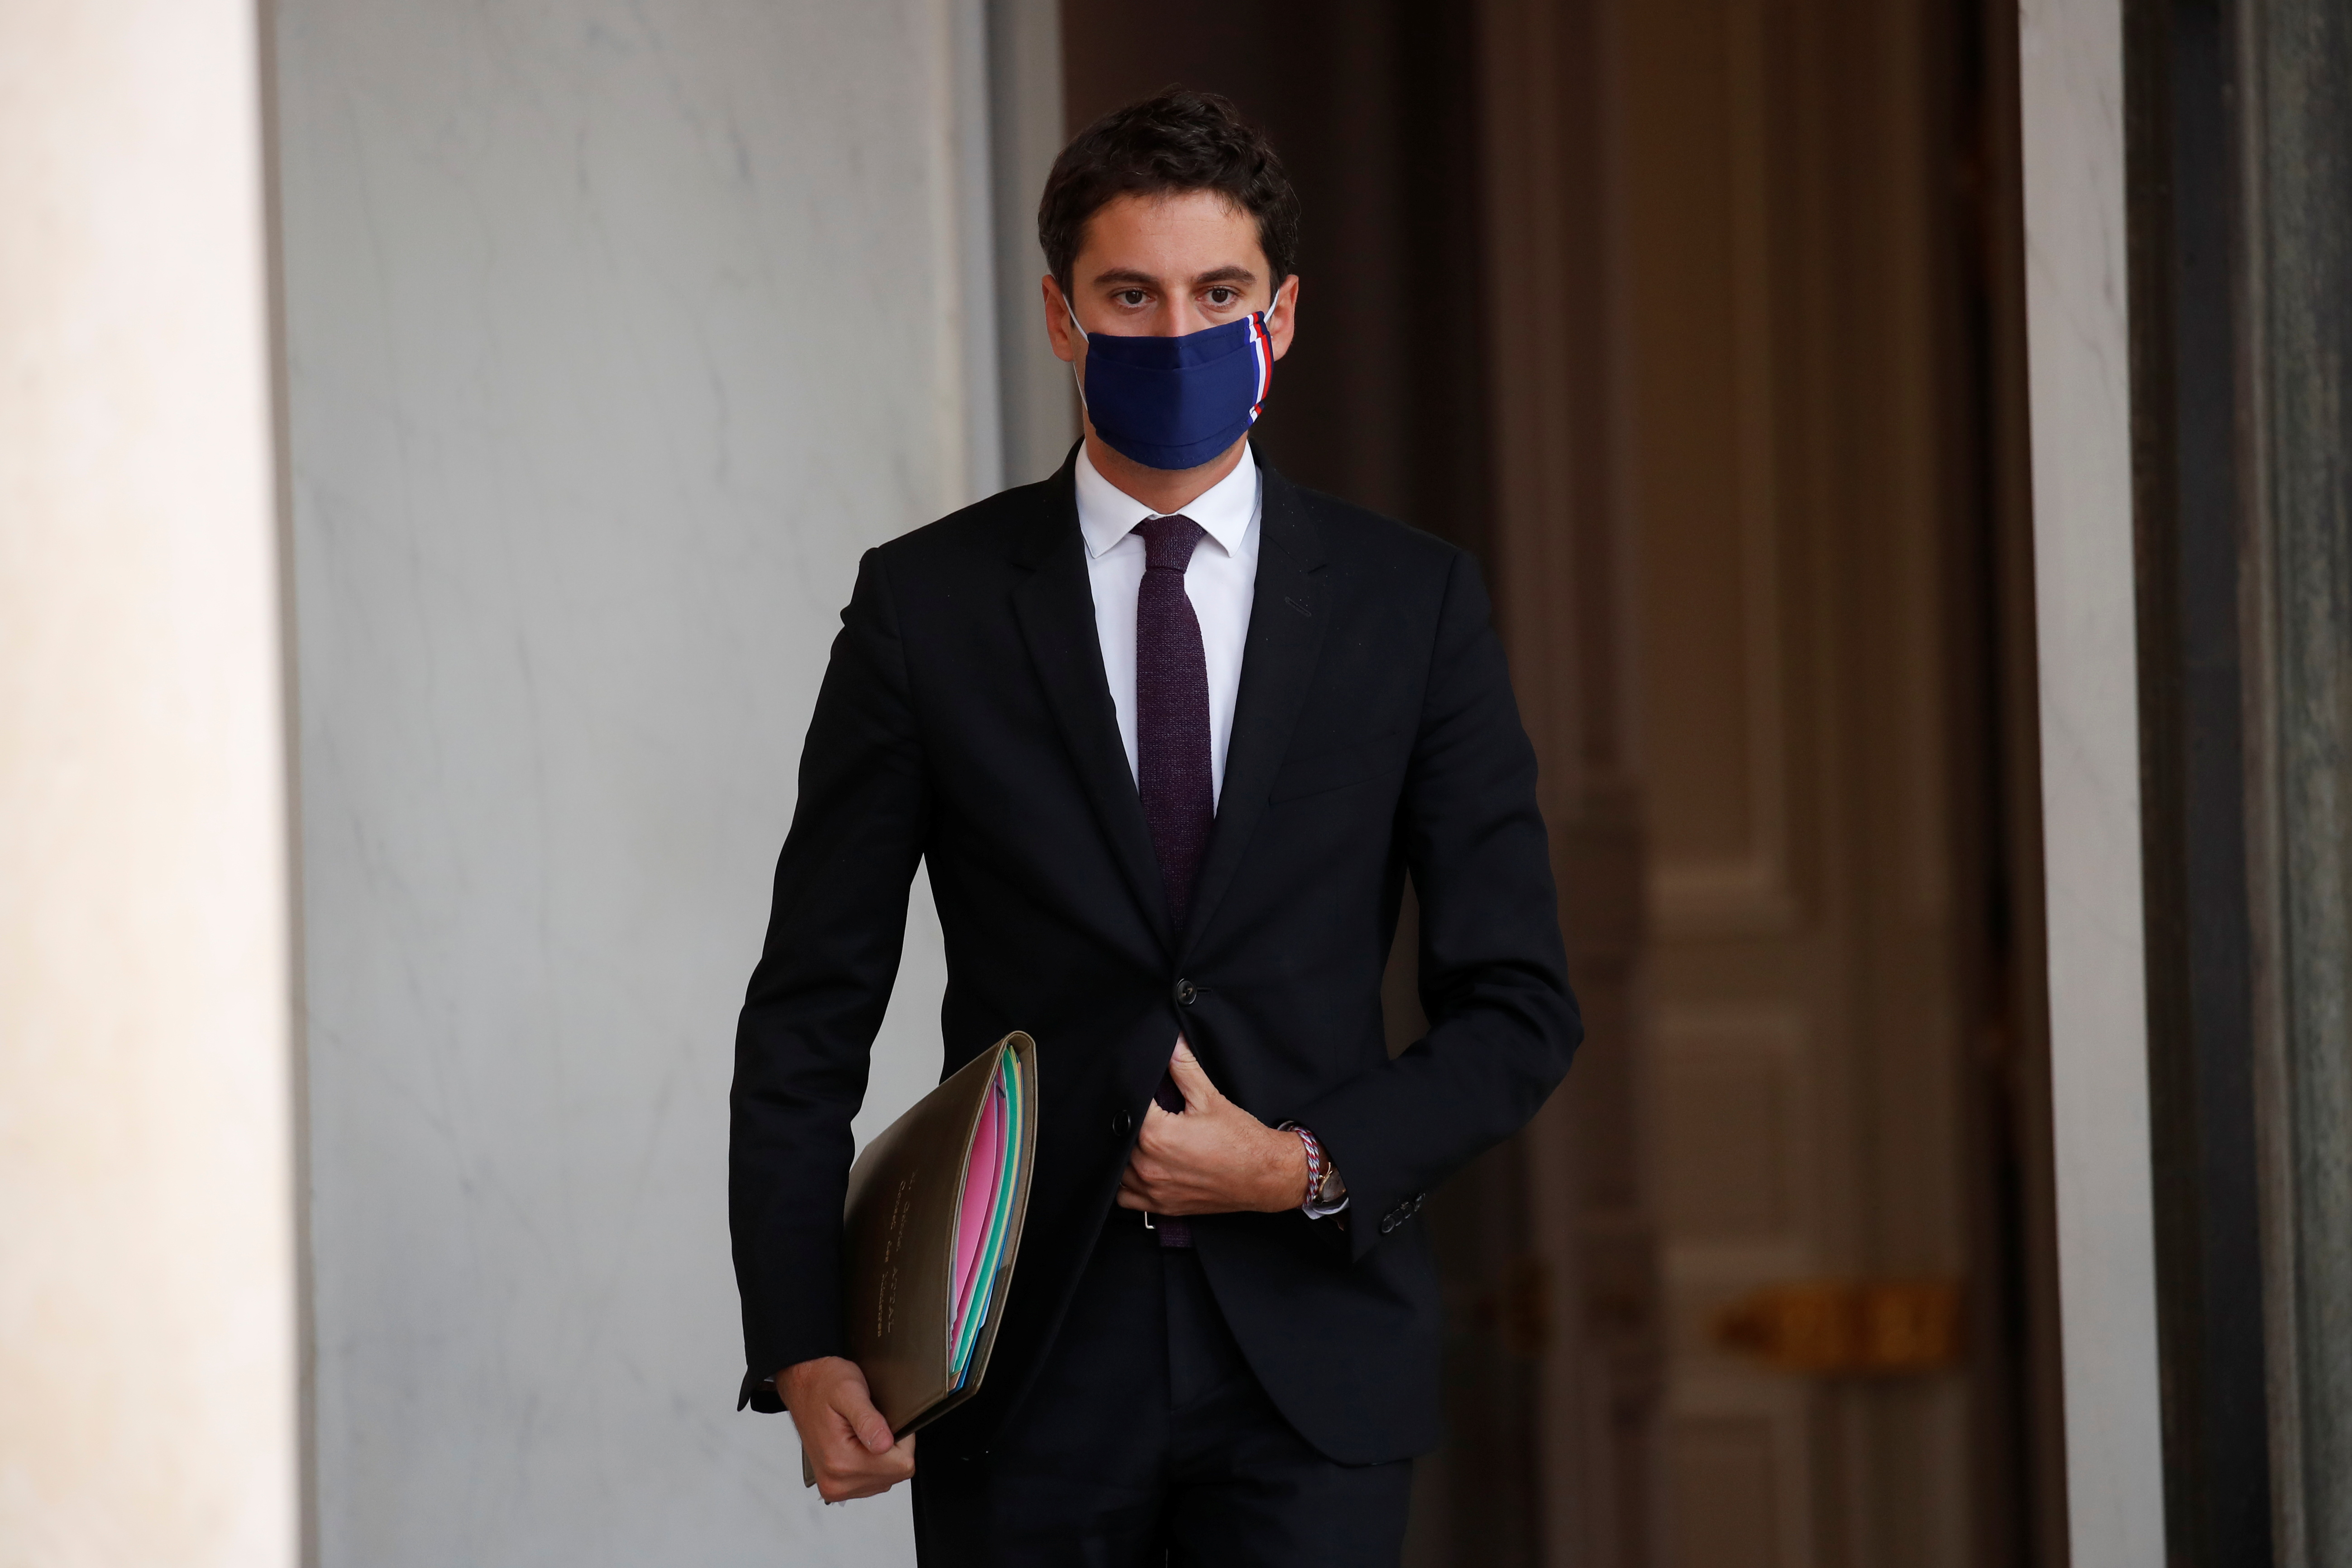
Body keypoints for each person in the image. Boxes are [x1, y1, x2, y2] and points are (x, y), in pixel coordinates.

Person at [729, 86, 1579, 1566]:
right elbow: (809, 1007)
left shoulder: (1410, 605)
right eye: (1130, 295)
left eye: (1218, 294)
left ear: (1281, 317)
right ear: (1060, 317)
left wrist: (1301, 1164)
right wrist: (802, 1338)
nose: (1175, 330)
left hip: (1312, 1372)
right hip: (1018, 1369)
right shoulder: (925, 608)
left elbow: (1518, 1006)